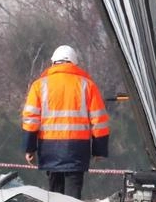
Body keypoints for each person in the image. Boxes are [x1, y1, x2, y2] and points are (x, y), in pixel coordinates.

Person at [21, 45, 110, 199]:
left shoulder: (39, 85)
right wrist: (99, 149)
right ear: (74, 63)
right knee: (73, 193)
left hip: (50, 148)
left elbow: (31, 119)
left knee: (54, 193)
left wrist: (29, 148)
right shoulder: (87, 85)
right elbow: (99, 120)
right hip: (77, 148)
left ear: (53, 62)